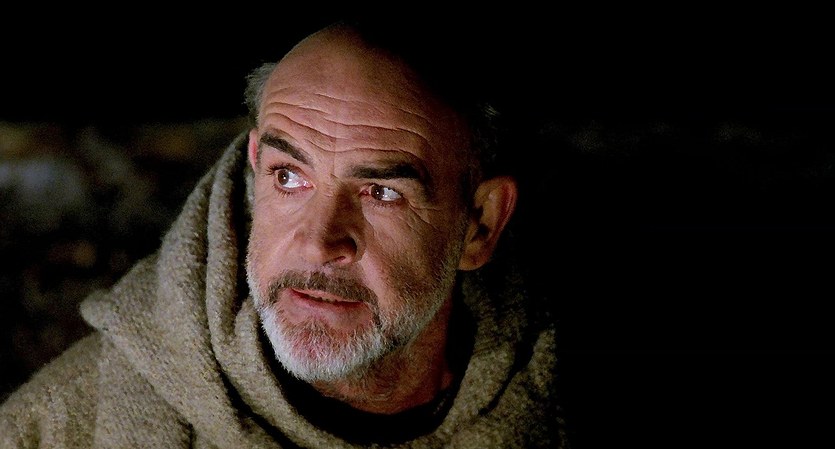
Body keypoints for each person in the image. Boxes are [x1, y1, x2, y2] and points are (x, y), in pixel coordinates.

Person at [0, 16, 568, 448]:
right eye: (289, 177)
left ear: (480, 224)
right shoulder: (54, 428)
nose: (319, 243)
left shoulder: (561, 400)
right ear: (255, 168)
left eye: (382, 192)